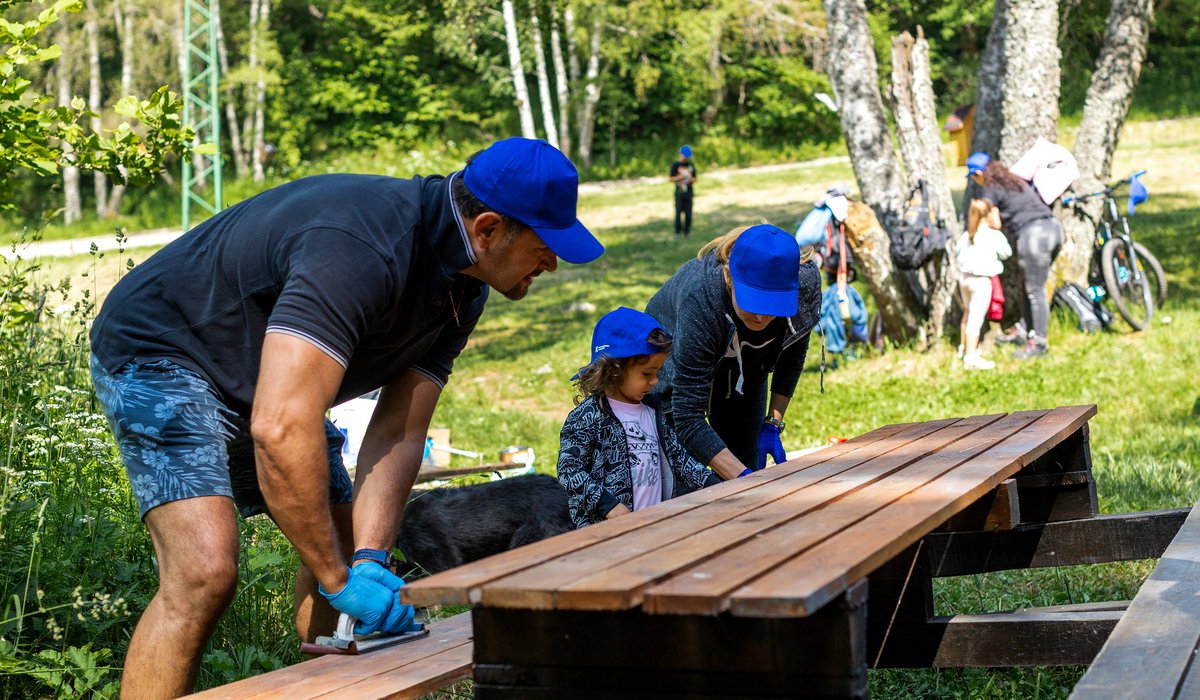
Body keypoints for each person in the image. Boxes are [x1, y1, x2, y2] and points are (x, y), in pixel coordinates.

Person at [88, 137, 603, 699]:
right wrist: (338, 581)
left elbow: (400, 429)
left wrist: (369, 559)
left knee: (338, 535)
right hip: (164, 350)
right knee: (204, 573)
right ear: (485, 229)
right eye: (545, 245)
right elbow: (280, 426)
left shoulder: (464, 288)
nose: (552, 262)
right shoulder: (360, 249)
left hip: (264, 381)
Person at [645, 224, 822, 480]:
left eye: (773, 307)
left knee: (745, 458)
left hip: (743, 374)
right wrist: (745, 481)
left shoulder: (802, 286)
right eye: (753, 304)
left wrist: (773, 423)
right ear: (729, 276)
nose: (762, 317)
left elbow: (792, 355)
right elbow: (687, 415)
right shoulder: (701, 298)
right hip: (675, 376)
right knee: (682, 483)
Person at [556, 307, 721, 528]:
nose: (654, 381)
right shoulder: (587, 417)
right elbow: (569, 470)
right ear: (614, 369)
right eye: (647, 373)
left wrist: (715, 484)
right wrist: (608, 506)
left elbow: (678, 457)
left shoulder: (652, 412)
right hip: (605, 533)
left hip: (653, 525)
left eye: (657, 372)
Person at [968, 151, 1062, 359]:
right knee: (1026, 285)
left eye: (974, 177)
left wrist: (978, 217)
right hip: (1053, 230)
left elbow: (996, 223)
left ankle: (1039, 342)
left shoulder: (991, 188)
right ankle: (1023, 330)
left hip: (1033, 236)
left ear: (979, 174)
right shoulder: (1015, 181)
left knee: (1035, 290)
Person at [956, 199, 1012, 370]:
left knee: (967, 312)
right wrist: (997, 225)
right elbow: (1006, 253)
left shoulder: (967, 235)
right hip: (981, 281)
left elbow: (958, 254)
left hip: (964, 279)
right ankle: (970, 357)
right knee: (975, 319)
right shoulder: (993, 236)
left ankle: (963, 347)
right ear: (989, 214)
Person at [670, 145, 698, 238]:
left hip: (689, 193)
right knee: (678, 214)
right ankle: (677, 232)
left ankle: (687, 232)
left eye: (688, 157)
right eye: (685, 156)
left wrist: (691, 180)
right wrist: (680, 177)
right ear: (680, 154)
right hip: (679, 193)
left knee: (688, 214)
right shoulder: (675, 165)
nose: (686, 158)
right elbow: (671, 178)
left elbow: (695, 178)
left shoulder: (690, 165)